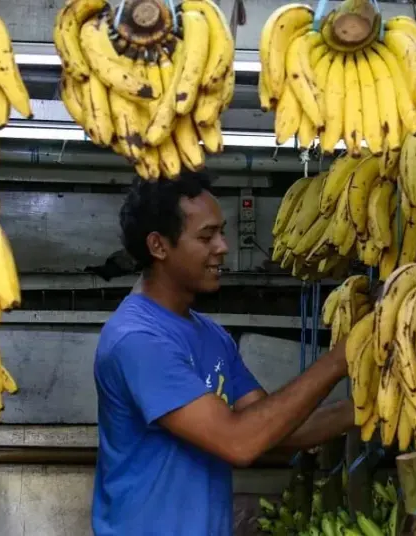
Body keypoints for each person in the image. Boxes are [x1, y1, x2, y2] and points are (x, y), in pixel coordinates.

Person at [91, 171, 355, 536]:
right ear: (158, 246)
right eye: (206, 236)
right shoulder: (137, 340)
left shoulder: (212, 335)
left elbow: (278, 431)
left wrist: (369, 408)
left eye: (222, 232)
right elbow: (240, 441)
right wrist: (342, 357)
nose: (223, 247)